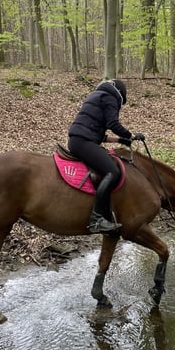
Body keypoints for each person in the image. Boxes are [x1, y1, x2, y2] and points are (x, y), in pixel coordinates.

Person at [68, 79, 145, 234]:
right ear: (120, 96)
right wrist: (131, 135)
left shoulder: (97, 96)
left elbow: (97, 133)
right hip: (83, 142)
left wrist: (120, 140)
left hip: (79, 140)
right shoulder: (111, 97)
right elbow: (113, 124)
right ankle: (96, 219)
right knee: (112, 172)